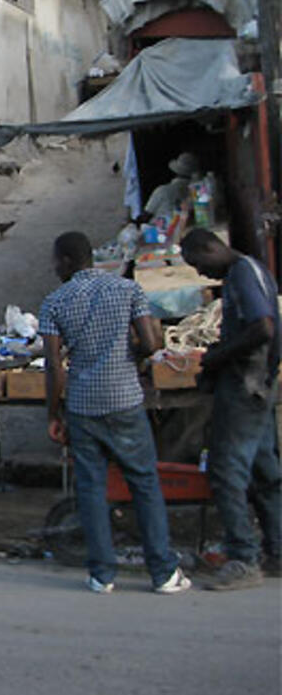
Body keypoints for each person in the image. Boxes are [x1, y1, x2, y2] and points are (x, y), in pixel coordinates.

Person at [39, 231, 190, 595]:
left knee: (91, 487)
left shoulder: (55, 302)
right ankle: (163, 573)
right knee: (144, 483)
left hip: (83, 406)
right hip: (125, 400)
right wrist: (131, 353)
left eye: (55, 261)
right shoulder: (129, 290)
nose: (53, 267)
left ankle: (102, 574)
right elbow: (151, 344)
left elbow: (55, 367)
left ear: (67, 261)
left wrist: (53, 413)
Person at [179, 229, 281, 587]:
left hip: (244, 386)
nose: (201, 273)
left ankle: (243, 558)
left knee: (226, 471)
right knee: (265, 471)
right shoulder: (252, 270)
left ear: (210, 249)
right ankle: (278, 550)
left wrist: (215, 358)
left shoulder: (242, 275)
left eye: (198, 264)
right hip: (258, 386)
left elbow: (263, 328)